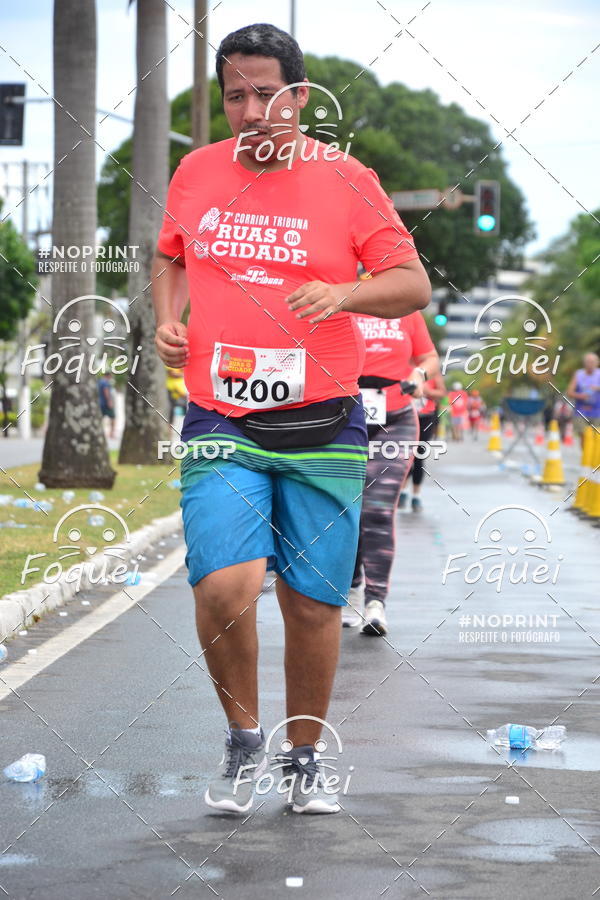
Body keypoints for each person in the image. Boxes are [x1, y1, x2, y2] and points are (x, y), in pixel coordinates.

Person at [152, 23, 431, 815]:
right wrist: (169, 320)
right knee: (225, 586)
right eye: (235, 95)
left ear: (300, 97)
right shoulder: (198, 171)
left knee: (312, 603)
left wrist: (345, 294)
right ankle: (243, 744)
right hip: (221, 412)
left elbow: (410, 284)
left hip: (326, 417)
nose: (250, 110)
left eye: (266, 93)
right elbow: (171, 252)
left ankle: (303, 757)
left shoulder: (347, 179)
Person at [344, 312, 439, 634]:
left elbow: (428, 356)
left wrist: (420, 372)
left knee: (378, 508)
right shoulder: (342, 301)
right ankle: (352, 587)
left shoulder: (407, 311)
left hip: (395, 420)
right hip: (343, 416)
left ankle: (375, 602)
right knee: (347, 507)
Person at [400, 372, 446, 512]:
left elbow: (442, 393)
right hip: (406, 415)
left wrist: (428, 391)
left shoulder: (432, 371)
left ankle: (416, 496)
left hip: (426, 417)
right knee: (406, 456)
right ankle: (402, 492)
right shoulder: (404, 367)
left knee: (419, 456)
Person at [567, 352, 600, 445]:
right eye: (588, 362)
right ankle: (585, 456)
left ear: (597, 363)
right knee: (584, 437)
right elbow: (569, 392)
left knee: (596, 437)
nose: (590, 364)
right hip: (581, 411)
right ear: (584, 363)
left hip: (597, 412)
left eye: (593, 362)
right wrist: (581, 396)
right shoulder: (578, 374)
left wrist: (597, 388)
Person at [97, 372, 116, 439]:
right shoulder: (105, 382)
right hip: (106, 403)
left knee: (100, 419)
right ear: (108, 376)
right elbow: (106, 392)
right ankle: (111, 434)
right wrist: (109, 402)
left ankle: (99, 434)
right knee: (113, 418)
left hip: (100, 403)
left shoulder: (99, 381)